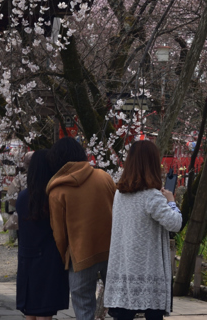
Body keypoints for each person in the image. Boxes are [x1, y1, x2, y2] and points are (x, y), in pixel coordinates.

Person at [104, 141, 182, 320]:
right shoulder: (152, 196)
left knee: (123, 315)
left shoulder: (120, 194)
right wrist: (171, 201)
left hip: (123, 270)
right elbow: (175, 223)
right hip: (148, 271)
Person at [46, 137, 116, 320]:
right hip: (112, 250)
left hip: (81, 255)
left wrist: (65, 258)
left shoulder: (57, 191)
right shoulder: (104, 177)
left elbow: (59, 234)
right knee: (119, 304)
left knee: (84, 307)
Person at [16, 150, 69, 320]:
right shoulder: (53, 196)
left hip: (27, 257)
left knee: (30, 312)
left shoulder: (23, 197)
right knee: (45, 313)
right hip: (49, 259)